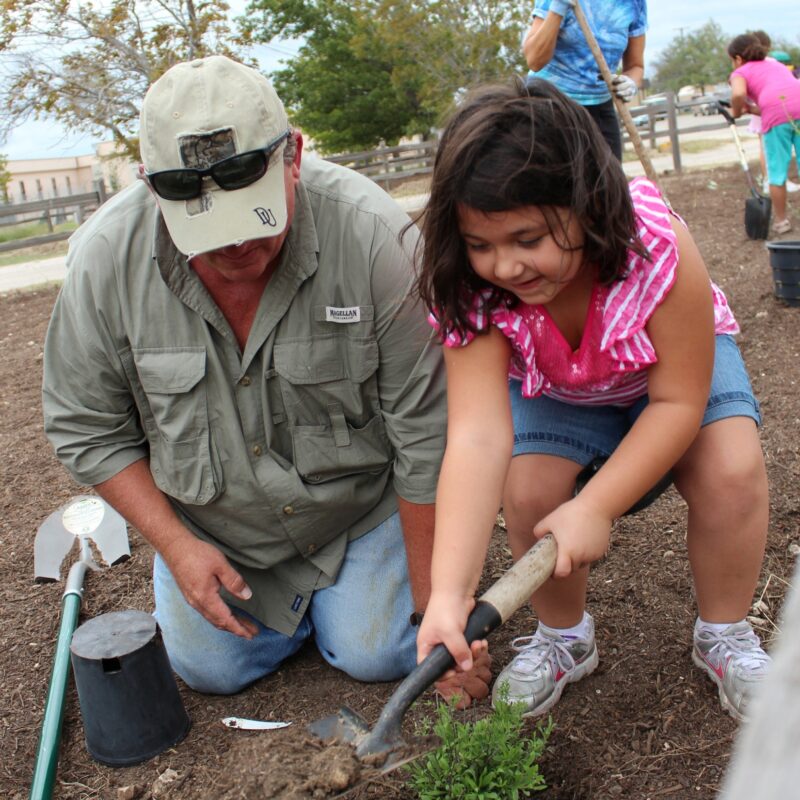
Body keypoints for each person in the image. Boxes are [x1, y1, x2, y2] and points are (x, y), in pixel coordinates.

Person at [42, 55, 490, 705]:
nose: (234, 249)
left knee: (382, 652)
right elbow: (87, 429)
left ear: (295, 156)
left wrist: (433, 613)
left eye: (252, 217)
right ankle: (316, 607)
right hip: (215, 528)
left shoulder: (374, 240)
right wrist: (176, 547)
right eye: (208, 229)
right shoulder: (103, 263)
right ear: (152, 186)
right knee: (211, 670)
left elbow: (425, 436)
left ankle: (355, 602)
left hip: (356, 512)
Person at [413, 78, 771, 723]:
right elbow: (476, 437)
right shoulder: (467, 284)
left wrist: (596, 505)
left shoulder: (653, 243)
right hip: (559, 381)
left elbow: (677, 403)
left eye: (528, 239)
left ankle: (725, 631)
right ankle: (563, 637)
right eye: (480, 243)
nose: (504, 267)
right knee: (529, 491)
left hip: (671, 373)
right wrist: (447, 595)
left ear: (588, 204)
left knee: (731, 470)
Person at [522, 0, 647, 160]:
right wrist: (558, 7)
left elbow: (636, 66)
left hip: (600, 110)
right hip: (548, 105)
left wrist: (630, 83)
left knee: (610, 181)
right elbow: (534, 60)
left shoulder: (634, 3)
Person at [729, 33, 800, 234]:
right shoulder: (775, 64)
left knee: (776, 172)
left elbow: (738, 94)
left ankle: (781, 221)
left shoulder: (740, 72)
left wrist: (736, 111)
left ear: (738, 59)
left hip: (777, 118)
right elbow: (782, 99)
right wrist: (751, 109)